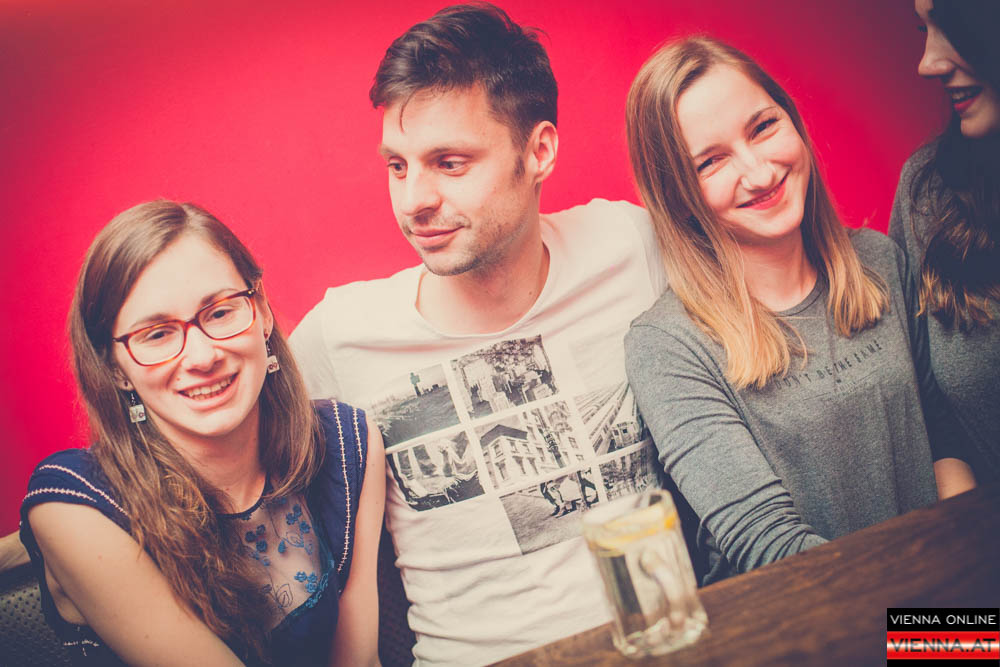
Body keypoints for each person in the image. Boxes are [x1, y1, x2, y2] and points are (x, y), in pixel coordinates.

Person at [290, 4, 666, 664]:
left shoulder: (632, 247)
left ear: (539, 151)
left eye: (450, 162)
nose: (414, 200)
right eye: (397, 165)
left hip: (665, 642)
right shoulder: (343, 335)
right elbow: (210, 465)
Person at [623, 36, 975, 586]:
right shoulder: (667, 345)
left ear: (792, 119)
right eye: (711, 162)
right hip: (812, 622)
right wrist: (930, 620)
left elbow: (943, 437)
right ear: (676, 194)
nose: (760, 173)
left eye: (763, 127)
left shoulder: (881, 261)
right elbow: (770, 546)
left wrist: (969, 571)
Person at [19, 201, 384, 666]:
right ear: (114, 368)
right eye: (156, 334)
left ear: (262, 313)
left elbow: (359, 662)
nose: (202, 356)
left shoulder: (347, 441)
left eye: (219, 312)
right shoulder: (75, 506)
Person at [889, 0, 1000, 484]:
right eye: (923, 30)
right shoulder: (928, 191)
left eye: (951, 24)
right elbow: (929, 403)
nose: (927, 63)